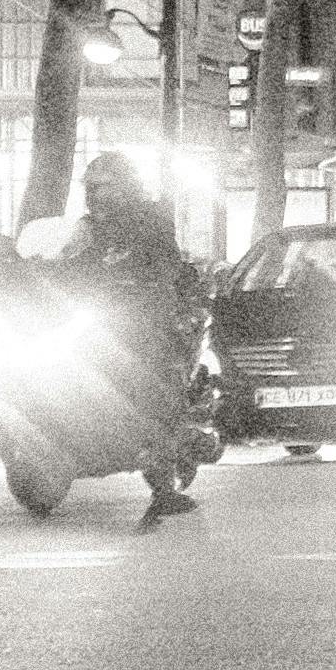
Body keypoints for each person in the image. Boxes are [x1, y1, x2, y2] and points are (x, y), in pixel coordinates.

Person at [61, 150, 211, 521]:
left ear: (126, 188)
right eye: (91, 189)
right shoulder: (88, 227)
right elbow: (69, 260)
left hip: (146, 325)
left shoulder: (151, 220)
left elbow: (163, 267)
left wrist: (137, 282)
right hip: (103, 323)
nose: (95, 196)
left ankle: (163, 490)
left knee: (149, 396)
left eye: (104, 188)